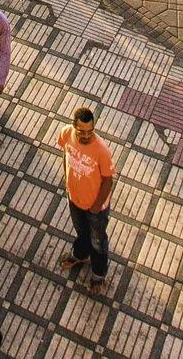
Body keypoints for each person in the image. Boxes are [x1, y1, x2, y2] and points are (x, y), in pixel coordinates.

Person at [56, 106, 116, 289]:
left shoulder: (101, 150)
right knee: (82, 232)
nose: (86, 135)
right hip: (74, 199)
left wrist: (97, 206)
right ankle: (80, 255)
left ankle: (99, 274)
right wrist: (67, 178)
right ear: (74, 127)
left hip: (95, 207)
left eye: (90, 131)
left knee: (98, 241)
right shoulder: (66, 133)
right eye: (81, 131)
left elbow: (108, 180)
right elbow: (64, 152)